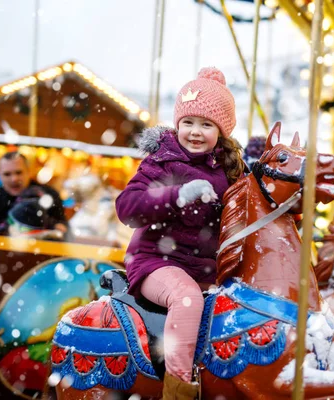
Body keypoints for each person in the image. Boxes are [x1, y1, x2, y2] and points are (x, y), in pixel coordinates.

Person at [116, 67, 243, 399]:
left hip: (205, 269)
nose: (195, 132)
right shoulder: (161, 161)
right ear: (177, 124)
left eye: (206, 124)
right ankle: (178, 391)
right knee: (186, 299)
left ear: (222, 131)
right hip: (156, 262)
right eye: (188, 122)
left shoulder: (230, 171)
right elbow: (127, 207)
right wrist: (175, 196)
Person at [0, 152, 68, 238]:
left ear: (28, 171)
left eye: (19, 172)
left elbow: (62, 226)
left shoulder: (48, 194)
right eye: (7, 174)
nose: (14, 179)